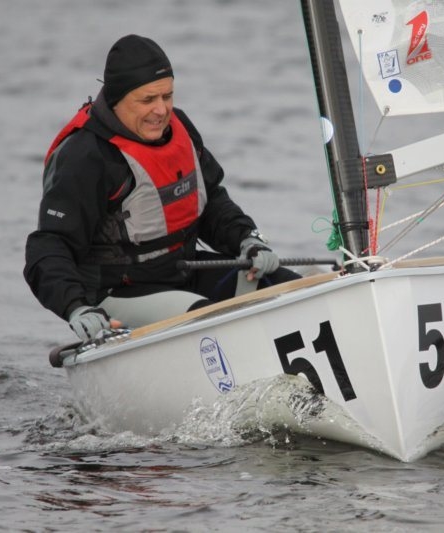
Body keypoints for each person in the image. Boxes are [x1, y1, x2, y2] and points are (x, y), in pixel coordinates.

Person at [24, 34, 300, 342]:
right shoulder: (86, 156)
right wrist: (75, 307)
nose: (161, 110)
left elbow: (210, 202)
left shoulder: (180, 128)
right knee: (207, 320)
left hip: (182, 273)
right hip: (118, 293)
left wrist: (247, 239)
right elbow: (49, 246)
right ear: (116, 99)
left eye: (167, 96)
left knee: (289, 288)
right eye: (147, 100)